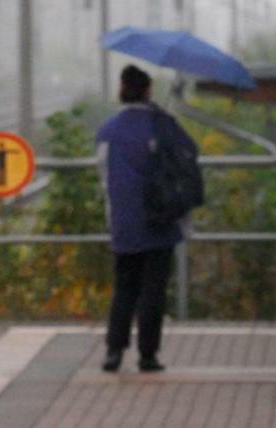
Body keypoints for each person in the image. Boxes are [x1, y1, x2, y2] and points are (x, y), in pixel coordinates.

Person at [95, 65, 196, 373]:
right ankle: (148, 356)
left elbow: (102, 174)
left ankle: (114, 351)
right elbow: (189, 155)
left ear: (123, 88)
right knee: (153, 290)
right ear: (148, 90)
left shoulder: (108, 130)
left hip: (124, 220)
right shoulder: (163, 124)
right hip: (160, 220)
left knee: (125, 286)